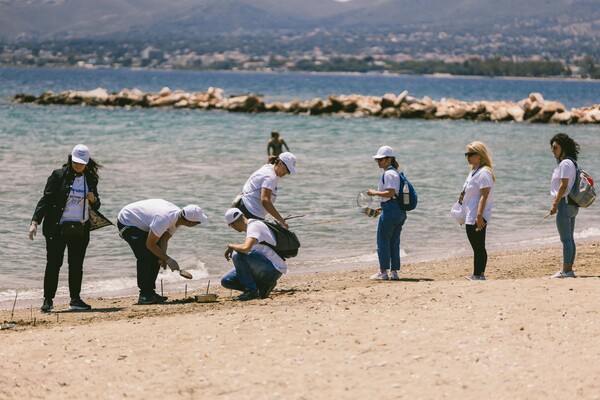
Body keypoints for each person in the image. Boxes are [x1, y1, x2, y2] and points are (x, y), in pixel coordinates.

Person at [29, 144, 103, 312]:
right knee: (54, 264)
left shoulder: (90, 178)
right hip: (57, 228)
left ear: (87, 162)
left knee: (76, 265)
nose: (78, 166)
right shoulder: (58, 176)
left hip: (80, 229)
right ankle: (48, 300)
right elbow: (46, 200)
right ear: (71, 160)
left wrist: (93, 199)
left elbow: (97, 205)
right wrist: (35, 222)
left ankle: (75, 300)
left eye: (82, 163)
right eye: (76, 162)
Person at [117, 199, 208, 304]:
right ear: (190, 222)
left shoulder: (176, 220)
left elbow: (164, 240)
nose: (198, 224)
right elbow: (150, 244)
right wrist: (168, 259)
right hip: (128, 220)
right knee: (145, 256)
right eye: (198, 222)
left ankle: (150, 292)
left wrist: (162, 257)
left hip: (143, 221)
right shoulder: (164, 219)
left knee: (156, 255)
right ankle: (144, 295)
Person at [221, 208, 286, 301]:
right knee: (226, 281)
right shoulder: (254, 224)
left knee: (237, 254)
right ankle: (261, 287)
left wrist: (231, 246)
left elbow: (245, 248)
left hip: (273, 270)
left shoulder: (253, 227)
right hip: (266, 267)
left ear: (233, 225)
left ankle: (251, 290)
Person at [367, 146, 407, 281]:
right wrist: (382, 208)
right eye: (377, 159)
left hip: (391, 210)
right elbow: (394, 195)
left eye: (381, 159)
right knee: (394, 242)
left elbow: (390, 193)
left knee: (382, 241)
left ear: (389, 159)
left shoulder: (388, 174)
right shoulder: (396, 173)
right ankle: (394, 273)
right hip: (398, 211)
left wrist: (374, 193)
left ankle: (383, 272)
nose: (378, 162)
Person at [460, 141, 495, 281]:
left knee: (479, 246)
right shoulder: (474, 171)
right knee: (477, 246)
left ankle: (478, 275)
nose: (467, 157)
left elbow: (484, 195)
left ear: (479, 156)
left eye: (470, 154)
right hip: (471, 214)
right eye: (466, 154)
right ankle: (479, 274)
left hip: (477, 215)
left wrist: (479, 216)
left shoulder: (484, 173)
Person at [234, 152, 297, 228]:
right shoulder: (270, 176)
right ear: (280, 163)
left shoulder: (270, 169)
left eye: (289, 171)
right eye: (287, 169)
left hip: (245, 206)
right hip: (250, 210)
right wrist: (282, 221)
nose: (287, 173)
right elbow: (265, 201)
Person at [549, 133, 580, 278]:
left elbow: (563, 186)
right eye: (552, 148)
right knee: (569, 238)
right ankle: (568, 269)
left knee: (566, 239)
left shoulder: (565, 163)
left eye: (555, 147)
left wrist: (555, 203)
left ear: (563, 148)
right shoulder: (571, 162)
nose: (553, 150)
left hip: (565, 203)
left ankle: (566, 270)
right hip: (571, 204)